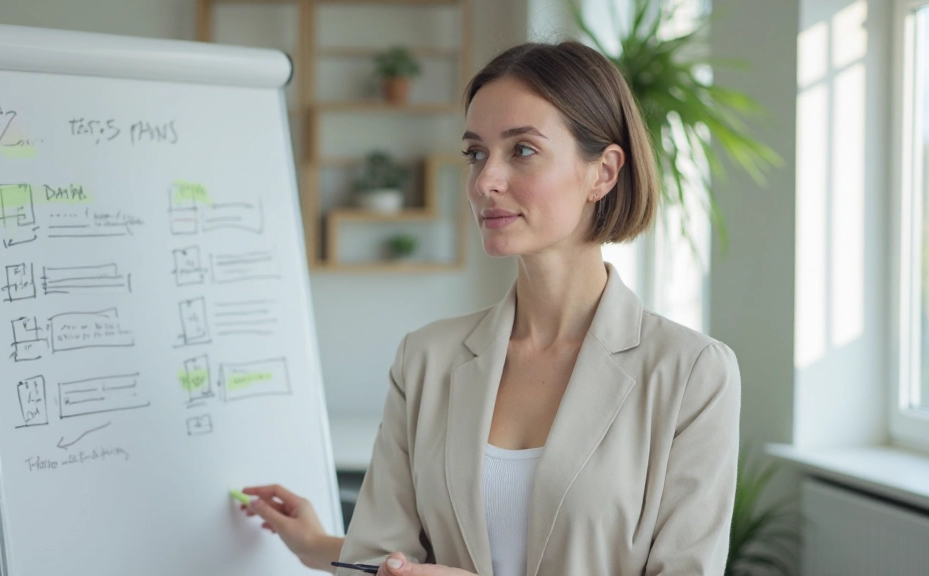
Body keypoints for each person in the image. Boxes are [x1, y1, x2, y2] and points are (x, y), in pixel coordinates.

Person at [243, 40, 741, 576]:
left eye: (522, 150)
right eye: (475, 153)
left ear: (604, 172)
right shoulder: (426, 359)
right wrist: (320, 544)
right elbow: (382, 560)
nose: (485, 181)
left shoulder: (691, 374)